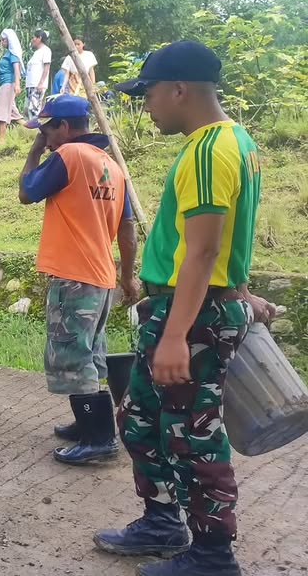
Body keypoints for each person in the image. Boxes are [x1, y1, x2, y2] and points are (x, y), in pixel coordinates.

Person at [94, 41, 273, 576]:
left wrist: (176, 335)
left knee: (194, 435)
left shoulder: (208, 151)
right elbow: (228, 236)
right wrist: (240, 289)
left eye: (148, 94)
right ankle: (162, 521)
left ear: (178, 90)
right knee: (141, 418)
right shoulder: (233, 141)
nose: (146, 106)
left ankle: (213, 555)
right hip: (190, 306)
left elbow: (203, 250)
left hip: (191, 317)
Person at [17, 95, 138, 465]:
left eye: (47, 130)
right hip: (101, 277)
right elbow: (127, 229)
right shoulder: (111, 166)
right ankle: (87, 425)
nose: (45, 138)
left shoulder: (68, 155)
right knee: (91, 353)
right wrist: (128, 276)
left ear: (65, 127)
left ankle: (99, 438)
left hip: (73, 276)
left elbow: (26, 192)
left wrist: (34, 152)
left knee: (72, 357)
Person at [0, 29, 25, 140]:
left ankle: (1, 140)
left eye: (3, 40)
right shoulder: (7, 53)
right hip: (4, 83)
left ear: (9, 40)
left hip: (8, 84)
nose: (1, 42)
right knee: (14, 114)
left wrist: (17, 84)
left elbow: (16, 69)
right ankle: (34, 130)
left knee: (1, 113)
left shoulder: (13, 54)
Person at [25, 29, 53, 120]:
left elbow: (46, 67)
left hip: (37, 85)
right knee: (27, 109)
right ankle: (30, 126)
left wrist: (41, 83)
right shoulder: (36, 52)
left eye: (33, 37)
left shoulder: (46, 51)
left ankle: (35, 126)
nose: (32, 40)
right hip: (30, 85)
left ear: (39, 38)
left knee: (34, 109)